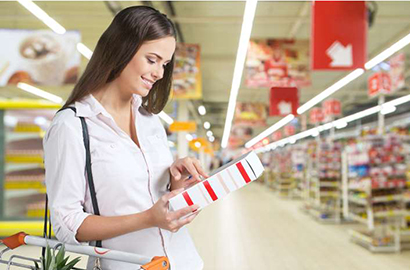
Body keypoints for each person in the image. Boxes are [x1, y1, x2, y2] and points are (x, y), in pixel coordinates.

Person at [43, 6, 207, 270]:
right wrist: (149, 218)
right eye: (152, 60)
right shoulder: (72, 126)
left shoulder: (150, 121)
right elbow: (66, 224)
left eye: (165, 64)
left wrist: (176, 188)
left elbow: (155, 202)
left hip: (185, 262)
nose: (159, 73)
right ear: (122, 49)